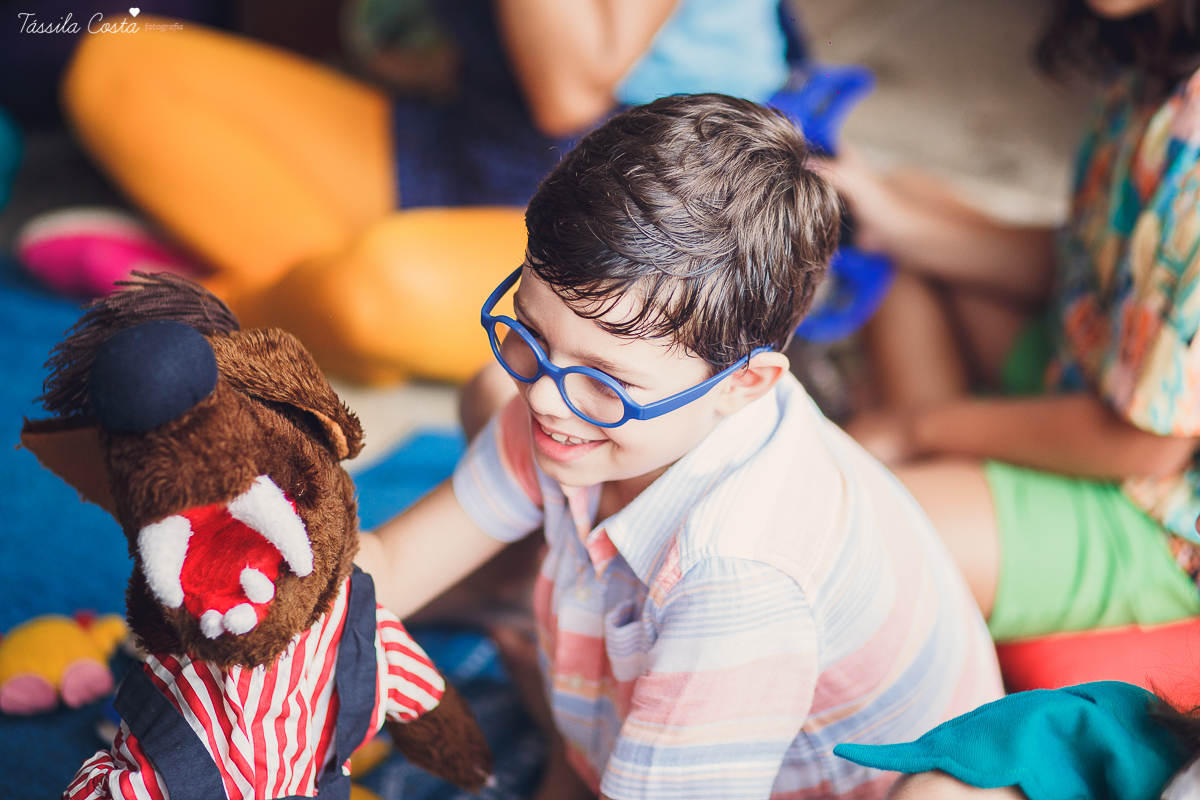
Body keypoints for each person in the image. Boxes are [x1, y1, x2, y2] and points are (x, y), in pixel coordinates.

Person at [356, 94, 1004, 800]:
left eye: (606, 381)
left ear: (745, 384)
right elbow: (391, 564)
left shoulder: (736, 578)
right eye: (533, 335)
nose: (544, 395)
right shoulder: (588, 399)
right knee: (488, 399)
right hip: (634, 731)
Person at [59, 0, 794, 385]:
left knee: (374, 288)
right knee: (116, 60)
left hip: (635, 210)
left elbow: (569, 91)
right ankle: (307, 307)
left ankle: (209, 303)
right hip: (470, 136)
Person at [827, 0, 1200, 644]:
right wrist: (900, 222)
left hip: (1160, 502)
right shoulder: (1154, 44)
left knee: (834, 537)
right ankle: (945, 497)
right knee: (906, 206)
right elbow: (1094, 260)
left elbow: (1148, 443)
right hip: (1096, 367)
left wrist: (917, 429)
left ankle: (930, 496)